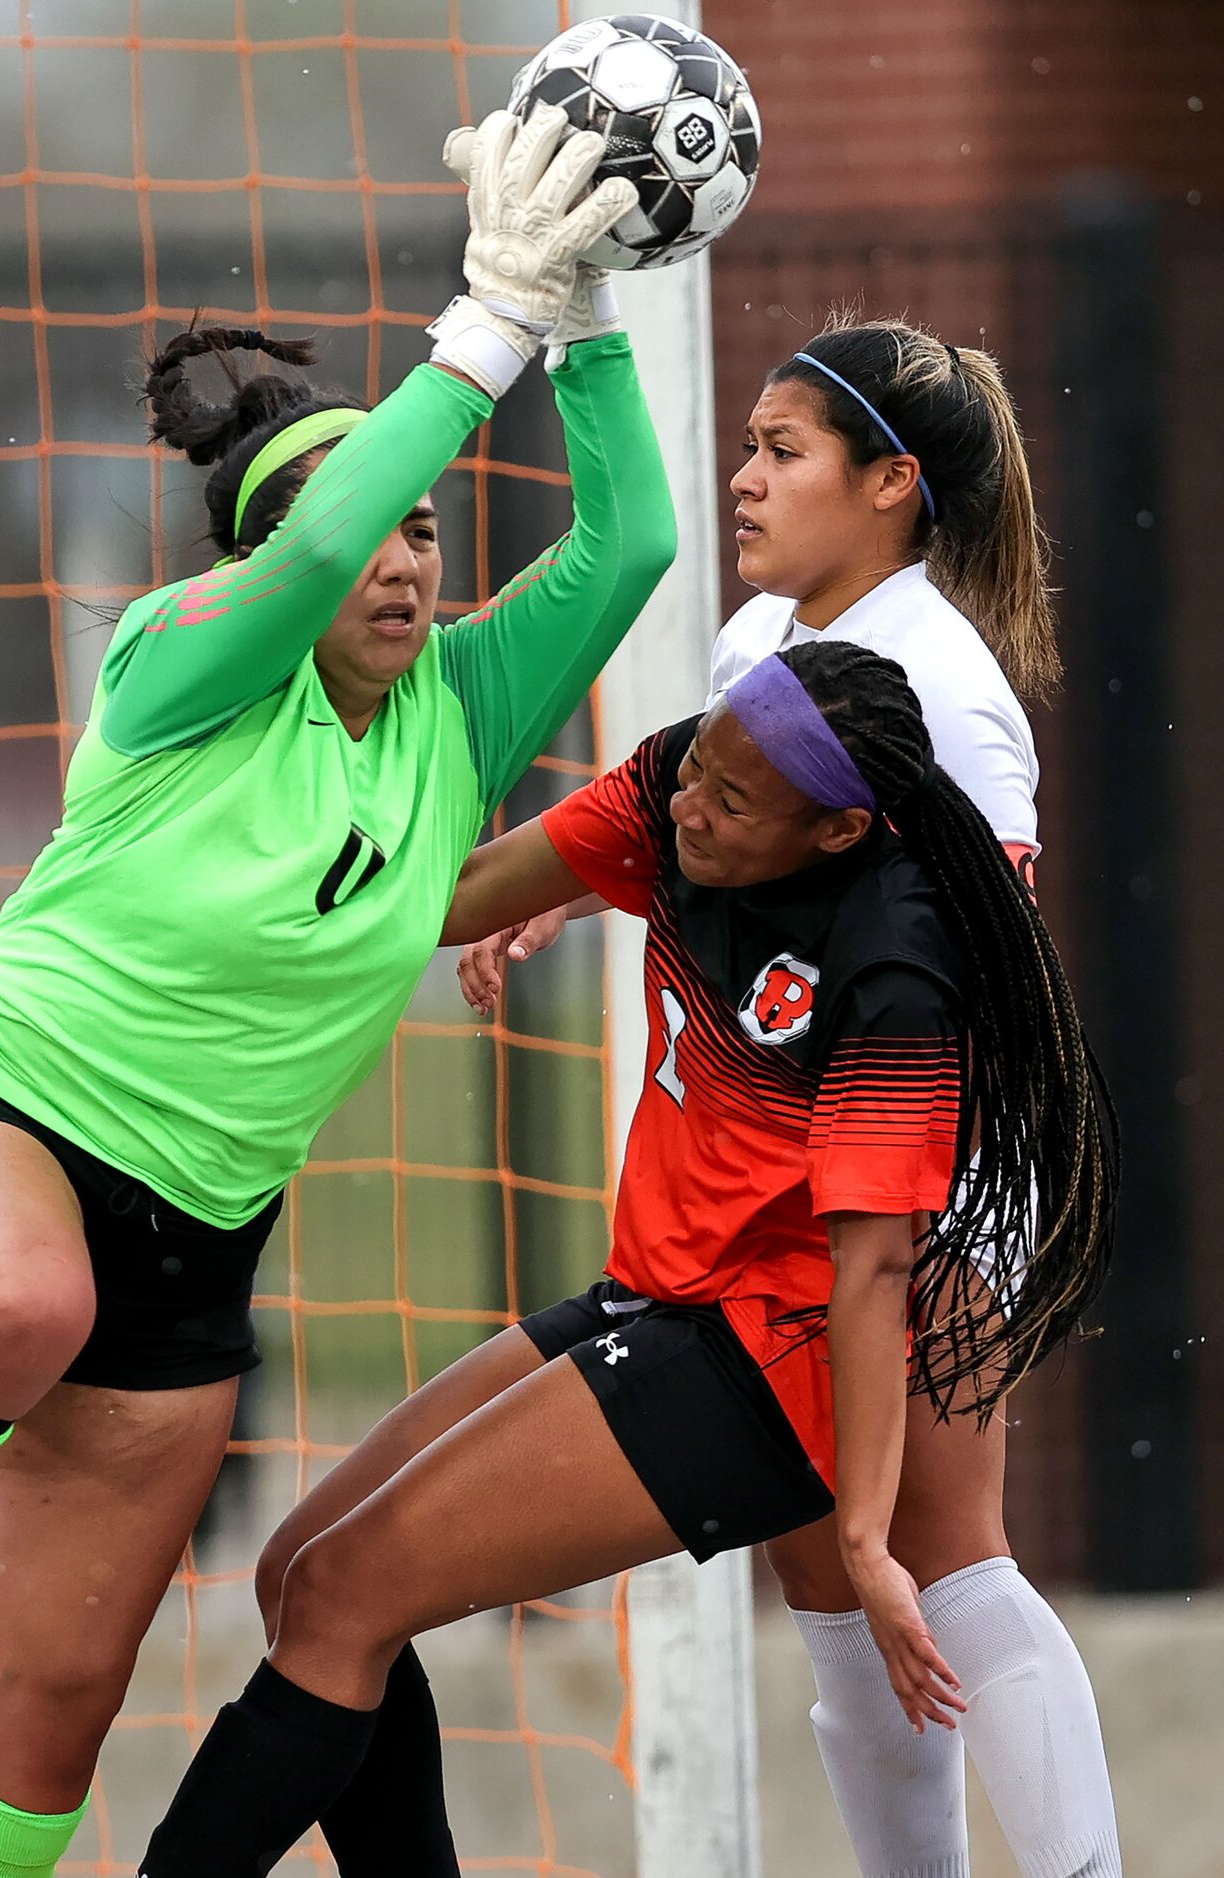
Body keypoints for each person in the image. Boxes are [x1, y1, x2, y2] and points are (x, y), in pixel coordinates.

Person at [0, 106, 676, 1878]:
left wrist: (582, 314)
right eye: (364, 530)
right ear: (255, 562)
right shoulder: (179, 660)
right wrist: (481, 323)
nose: (398, 559)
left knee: (49, 1719)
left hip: (195, 1242)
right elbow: (297, 553)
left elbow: (631, 550)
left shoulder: (450, 707)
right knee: (12, 1301)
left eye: (424, 529)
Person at [134, 636, 1119, 1878]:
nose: (688, 808)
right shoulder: (677, 788)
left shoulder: (897, 966)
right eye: (694, 772)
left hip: (768, 1362)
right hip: (656, 1299)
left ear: (835, 832)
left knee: (343, 1597)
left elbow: (872, 1275)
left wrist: (867, 1538)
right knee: (300, 1576)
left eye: (729, 801)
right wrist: (269, 815)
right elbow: (439, 903)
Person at [458, 315, 1125, 1877]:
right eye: (746, 445)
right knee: (825, 1569)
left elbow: (959, 975)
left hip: (930, 1176)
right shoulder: (759, 650)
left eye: (780, 451)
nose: (744, 482)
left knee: (940, 1554)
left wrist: (923, 1227)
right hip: (790, 1169)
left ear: (890, 485)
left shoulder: (947, 697)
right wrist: (588, 885)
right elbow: (745, 877)